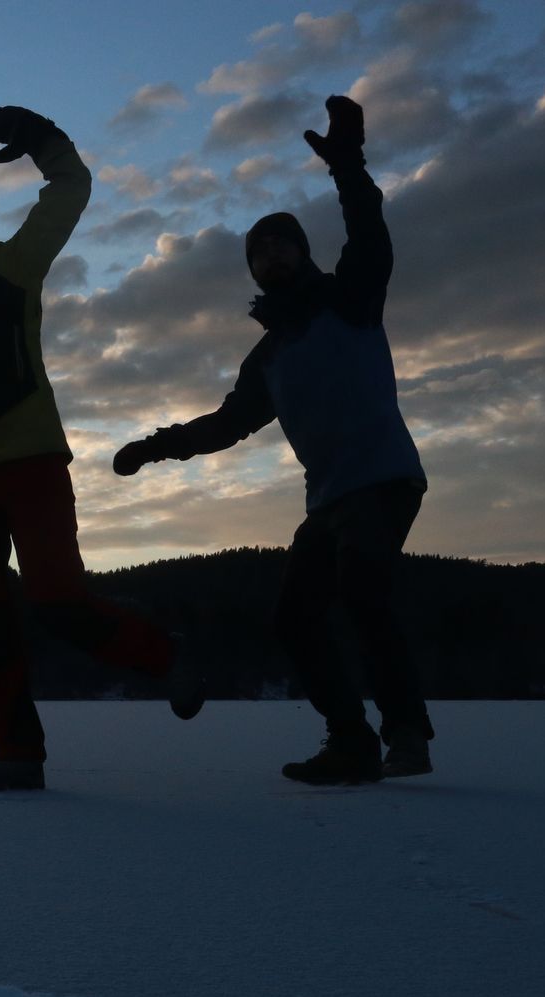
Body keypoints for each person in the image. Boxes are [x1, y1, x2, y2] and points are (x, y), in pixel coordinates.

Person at [0, 105, 201, 794]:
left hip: (31, 463)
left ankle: (165, 655)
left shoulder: (14, 267)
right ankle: (17, 754)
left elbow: (71, 190)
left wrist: (45, 145)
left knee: (57, 599)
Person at [113, 96, 432, 784]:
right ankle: (350, 740)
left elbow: (370, 233)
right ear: (252, 272)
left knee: (363, 590)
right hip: (328, 501)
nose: (271, 255)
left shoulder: (348, 300)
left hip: (384, 480)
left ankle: (406, 732)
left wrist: (348, 164)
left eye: (281, 243)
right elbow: (226, 425)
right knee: (294, 617)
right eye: (258, 252)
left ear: (302, 252)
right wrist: (154, 446)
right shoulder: (268, 358)